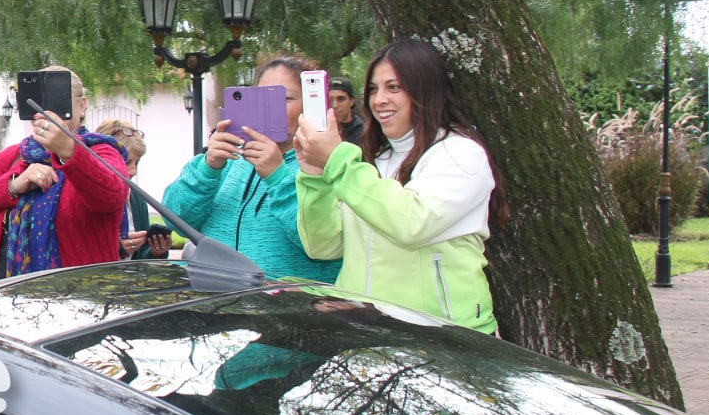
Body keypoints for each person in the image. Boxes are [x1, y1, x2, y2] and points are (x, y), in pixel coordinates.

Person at [294, 37, 510, 334]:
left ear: (425, 91)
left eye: (393, 87)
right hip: (370, 336)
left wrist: (337, 161)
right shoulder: (375, 160)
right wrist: (315, 177)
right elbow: (324, 246)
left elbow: (410, 223)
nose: (379, 99)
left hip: (449, 341)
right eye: (373, 89)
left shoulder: (461, 154)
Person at [161, 56, 340, 282]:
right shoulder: (231, 158)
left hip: (286, 309)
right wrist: (207, 169)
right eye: (262, 97)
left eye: (284, 98)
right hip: (214, 305)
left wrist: (277, 175)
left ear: (312, 105)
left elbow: (321, 242)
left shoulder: (326, 164)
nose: (270, 107)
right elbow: (176, 220)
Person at [0, 68, 131, 282]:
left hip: (81, 298)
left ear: (82, 106)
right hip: (6, 299)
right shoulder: (16, 156)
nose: (47, 112)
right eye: (38, 102)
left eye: (58, 100)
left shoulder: (101, 152)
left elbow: (111, 196)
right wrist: (14, 185)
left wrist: (69, 152)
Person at [92, 119, 153, 259]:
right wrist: (116, 247)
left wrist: (156, 251)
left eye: (137, 163)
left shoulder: (136, 197)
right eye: (127, 162)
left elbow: (142, 257)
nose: (133, 171)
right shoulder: (86, 197)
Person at [328, 76, 366, 144]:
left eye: (341, 99)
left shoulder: (363, 134)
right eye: (330, 100)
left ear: (351, 101)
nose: (335, 105)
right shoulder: (320, 130)